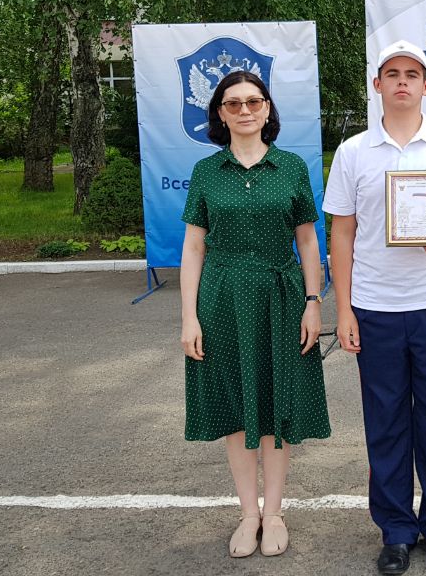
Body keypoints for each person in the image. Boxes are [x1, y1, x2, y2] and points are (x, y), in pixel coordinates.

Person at [325, 40, 426, 575]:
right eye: (393, 74)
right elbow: (342, 234)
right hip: (376, 307)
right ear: (378, 85)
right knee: (386, 421)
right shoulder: (353, 152)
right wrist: (343, 310)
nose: (403, 82)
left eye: (413, 74)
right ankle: (394, 529)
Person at [178, 70, 330, 559]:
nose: (244, 110)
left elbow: (308, 241)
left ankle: (275, 512)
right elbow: (193, 248)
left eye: (253, 101)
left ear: (267, 109)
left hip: (282, 298)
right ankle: (248, 514)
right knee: (237, 406)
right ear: (220, 115)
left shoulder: (291, 167)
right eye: (233, 103)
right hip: (221, 300)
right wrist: (188, 317)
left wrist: (313, 302)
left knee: (277, 403)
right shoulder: (206, 171)